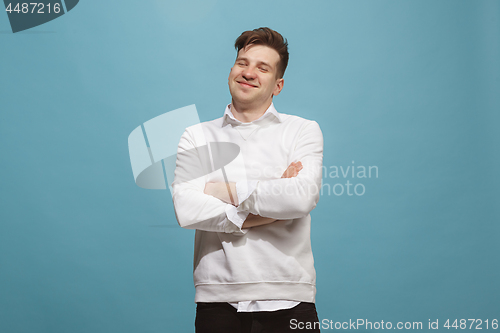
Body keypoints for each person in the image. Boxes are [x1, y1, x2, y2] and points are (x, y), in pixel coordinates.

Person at [172, 27, 324, 333]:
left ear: (278, 85)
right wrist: (268, 203)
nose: (249, 73)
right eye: (243, 63)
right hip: (218, 298)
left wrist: (219, 190)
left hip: (290, 295)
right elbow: (186, 210)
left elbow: (300, 198)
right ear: (231, 70)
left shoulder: (302, 131)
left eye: (262, 67)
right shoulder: (197, 136)